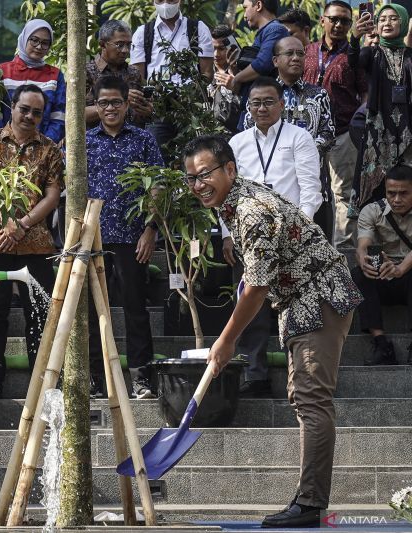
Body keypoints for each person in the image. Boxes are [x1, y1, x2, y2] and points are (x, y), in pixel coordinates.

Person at [185, 135, 362, 528]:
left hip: (318, 297)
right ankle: (309, 500)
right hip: (303, 299)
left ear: (230, 169)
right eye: (192, 178)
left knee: (312, 399)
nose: (199, 185)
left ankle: (311, 504)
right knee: (304, 396)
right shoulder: (236, 202)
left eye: (206, 174)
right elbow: (254, 281)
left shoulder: (249, 212)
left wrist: (227, 338)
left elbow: (257, 285)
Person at [227, 76, 322, 397]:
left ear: (283, 104)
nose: (262, 108)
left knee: (295, 306)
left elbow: (310, 190)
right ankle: (255, 376)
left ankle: (304, 377)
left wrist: (300, 230)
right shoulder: (237, 144)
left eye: (269, 102)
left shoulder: (299, 137)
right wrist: (229, 234)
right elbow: (230, 193)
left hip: (291, 236)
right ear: (248, 107)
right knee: (251, 304)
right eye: (256, 103)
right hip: (250, 237)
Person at [0, 84, 63, 399]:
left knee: (38, 311)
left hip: (36, 244)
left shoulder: (50, 149)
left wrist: (21, 225)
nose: (29, 116)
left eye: (37, 112)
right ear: (12, 106)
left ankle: (42, 381)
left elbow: (53, 195)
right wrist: (2, 228)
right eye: (24, 109)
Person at [86, 76, 163, 399]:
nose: (110, 108)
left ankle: (142, 377)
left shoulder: (143, 140)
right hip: (93, 239)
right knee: (90, 310)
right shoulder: (85, 142)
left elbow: (159, 186)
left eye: (116, 102)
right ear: (96, 106)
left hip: (134, 237)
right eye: (103, 103)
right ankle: (92, 377)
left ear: (127, 104)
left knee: (135, 307)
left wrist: (150, 230)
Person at [244, 37, 336, 239]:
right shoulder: (260, 93)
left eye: (300, 54)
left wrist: (303, 152)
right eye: (289, 53)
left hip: (313, 187)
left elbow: (328, 133)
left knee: (315, 257)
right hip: (270, 187)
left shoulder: (318, 94)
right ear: (276, 60)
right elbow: (248, 132)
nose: (296, 58)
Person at [303, 1, 368, 248]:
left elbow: (365, 93)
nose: (339, 25)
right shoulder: (307, 51)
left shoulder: (354, 54)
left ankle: (344, 253)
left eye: (344, 21)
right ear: (322, 20)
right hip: (308, 135)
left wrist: (358, 124)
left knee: (343, 195)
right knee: (309, 192)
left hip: (342, 134)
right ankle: (310, 249)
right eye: (334, 19)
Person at [350, 4, 412, 212]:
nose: (387, 22)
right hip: (379, 129)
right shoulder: (371, 53)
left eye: (393, 18)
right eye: (382, 18)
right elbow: (353, 62)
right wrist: (354, 38)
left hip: (408, 130)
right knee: (377, 187)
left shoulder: (410, 55)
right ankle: (373, 240)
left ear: (403, 23)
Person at [352, 164, 412, 365]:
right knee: (358, 274)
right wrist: (362, 257)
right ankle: (381, 343)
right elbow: (363, 243)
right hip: (385, 274)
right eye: (391, 193)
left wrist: (401, 268)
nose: (396, 199)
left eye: (403, 193)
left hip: (408, 272)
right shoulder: (372, 210)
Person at [130, 0, 214, 145]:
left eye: (170, 0)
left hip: (191, 111)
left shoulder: (198, 29)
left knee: (195, 156)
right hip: (156, 111)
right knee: (157, 159)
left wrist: (189, 94)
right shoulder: (142, 33)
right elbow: (138, 77)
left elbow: (207, 73)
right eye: (160, 0)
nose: (165, 4)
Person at [0, 19, 67, 144]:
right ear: (24, 38)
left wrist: (43, 145)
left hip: (43, 149)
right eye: (34, 40)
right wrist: (6, 144)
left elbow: (59, 117)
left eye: (45, 43)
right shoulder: (0, 72)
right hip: (3, 146)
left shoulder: (55, 75)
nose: (39, 46)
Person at [217, 0, 289, 130]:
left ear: (259, 5)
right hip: (252, 110)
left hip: (264, 112)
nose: (244, 15)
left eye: (245, 8)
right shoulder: (265, 32)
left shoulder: (275, 30)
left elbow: (262, 65)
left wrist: (237, 79)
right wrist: (235, 66)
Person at [85, 20, 150, 129]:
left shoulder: (134, 73)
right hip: (95, 141)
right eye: (119, 45)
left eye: (129, 45)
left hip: (130, 140)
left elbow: (140, 116)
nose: (125, 50)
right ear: (102, 44)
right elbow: (76, 115)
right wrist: (119, 100)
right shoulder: (85, 72)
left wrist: (147, 111)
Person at [209, 24, 240, 134]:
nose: (216, 54)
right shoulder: (205, 72)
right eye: (213, 48)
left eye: (221, 49)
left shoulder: (243, 73)